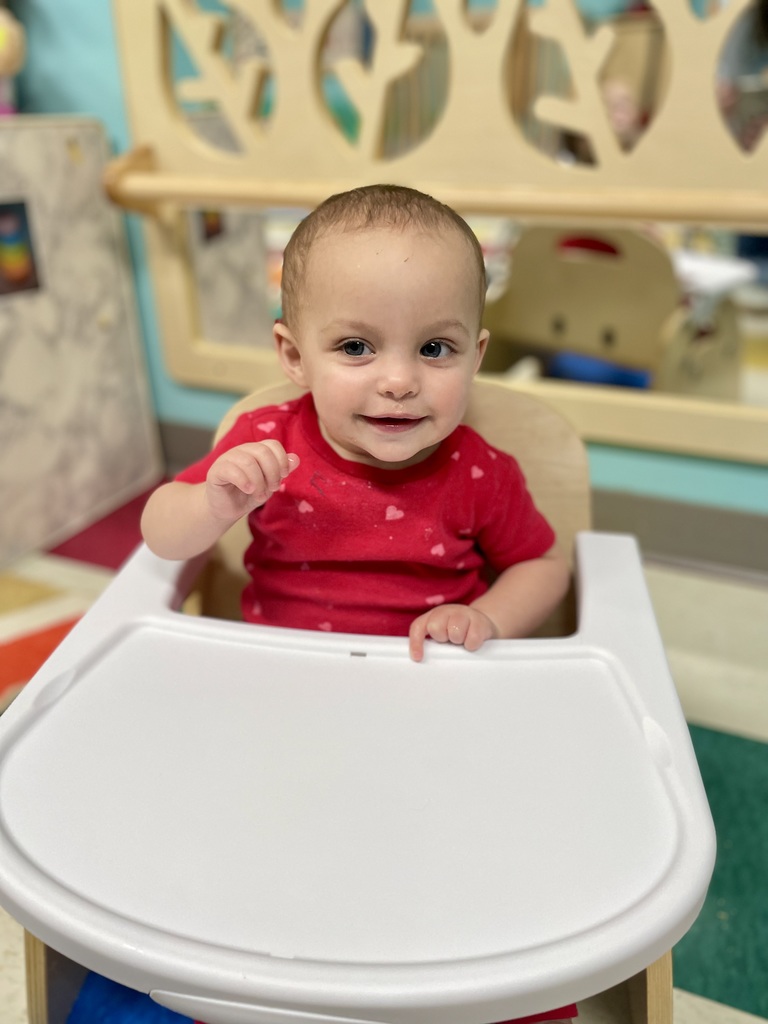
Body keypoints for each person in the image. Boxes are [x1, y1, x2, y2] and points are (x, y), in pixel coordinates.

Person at [141, 184, 570, 666]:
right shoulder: (266, 441)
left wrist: (488, 619)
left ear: (475, 357)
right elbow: (161, 535)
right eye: (354, 347)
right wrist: (211, 505)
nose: (399, 382)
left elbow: (542, 566)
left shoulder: (480, 472)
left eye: (434, 348)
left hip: (427, 678)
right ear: (295, 357)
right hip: (283, 672)